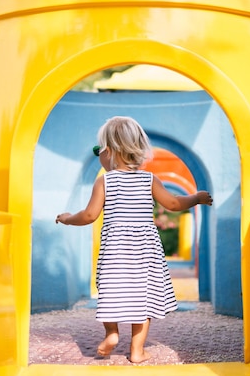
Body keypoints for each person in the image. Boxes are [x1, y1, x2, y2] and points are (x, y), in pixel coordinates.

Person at [56, 116, 213, 363]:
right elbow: (173, 203)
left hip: (115, 248)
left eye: (99, 150)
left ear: (109, 151)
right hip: (144, 250)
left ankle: (111, 335)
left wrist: (67, 218)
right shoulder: (149, 179)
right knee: (143, 297)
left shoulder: (104, 181)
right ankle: (137, 351)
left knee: (111, 291)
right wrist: (196, 198)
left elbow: (88, 215)